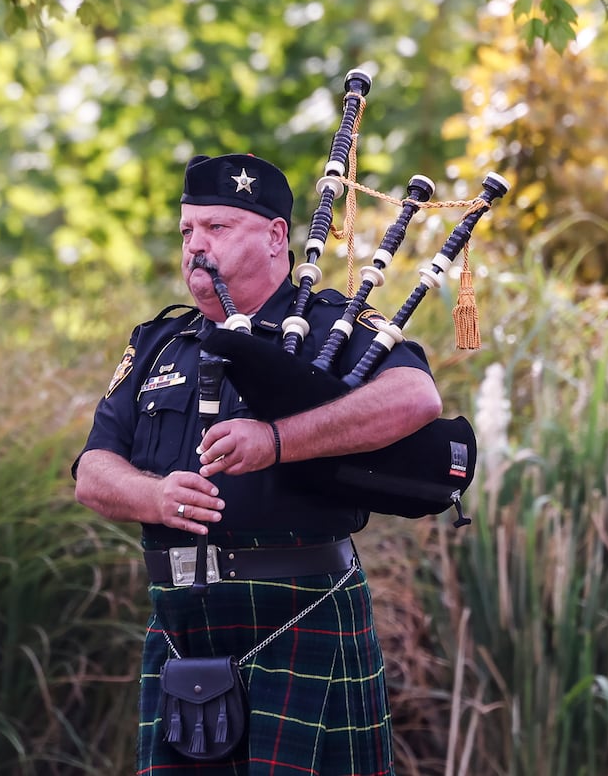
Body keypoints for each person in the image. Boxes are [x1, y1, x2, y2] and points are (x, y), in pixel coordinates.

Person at [73, 152, 443, 775]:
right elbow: (92, 471)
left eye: (217, 228)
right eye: (188, 230)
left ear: (276, 237)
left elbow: (415, 398)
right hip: (181, 623)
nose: (196, 246)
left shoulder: (333, 324)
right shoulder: (160, 342)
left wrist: (276, 440)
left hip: (303, 612)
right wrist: (156, 497)